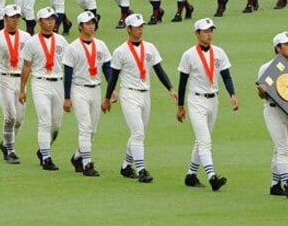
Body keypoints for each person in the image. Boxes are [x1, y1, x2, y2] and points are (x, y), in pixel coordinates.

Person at [102, 13, 177, 183]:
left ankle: (126, 166)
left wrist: (170, 88)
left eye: (142, 26)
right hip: (129, 94)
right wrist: (107, 98)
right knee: (138, 132)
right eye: (137, 27)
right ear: (128, 29)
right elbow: (113, 77)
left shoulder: (150, 48)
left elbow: (158, 69)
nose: (140, 29)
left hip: (145, 94)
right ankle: (142, 169)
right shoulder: (120, 51)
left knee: (139, 132)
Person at [177, 18, 238, 190]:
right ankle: (212, 177)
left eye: (211, 30)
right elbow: (182, 81)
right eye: (205, 31)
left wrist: (232, 93)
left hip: (214, 100)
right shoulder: (189, 54)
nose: (209, 34)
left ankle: (191, 174)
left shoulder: (219, 52)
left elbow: (226, 75)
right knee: (205, 140)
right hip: (196, 100)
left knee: (203, 138)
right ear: (197, 34)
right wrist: (180, 106)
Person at [63, 11, 113, 176]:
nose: (91, 26)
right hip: (79, 89)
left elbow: (107, 68)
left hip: (96, 88)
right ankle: (87, 164)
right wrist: (67, 97)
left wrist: (111, 91)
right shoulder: (72, 48)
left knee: (93, 130)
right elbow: (68, 74)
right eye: (87, 23)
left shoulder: (101, 45)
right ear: (80, 26)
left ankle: (78, 156)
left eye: (93, 23)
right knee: (85, 128)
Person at [18, 7, 68, 171]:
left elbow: (67, 65)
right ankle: (46, 157)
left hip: (58, 82)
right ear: (40, 22)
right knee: (45, 120)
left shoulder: (61, 40)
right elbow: (26, 66)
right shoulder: (32, 42)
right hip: (40, 82)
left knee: (57, 125)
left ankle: (43, 149)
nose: (51, 22)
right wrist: (22, 89)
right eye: (47, 19)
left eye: (53, 19)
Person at [256, 31, 288, 198]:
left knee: (283, 147)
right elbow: (262, 94)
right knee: (283, 146)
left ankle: (275, 184)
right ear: (278, 48)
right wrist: (262, 91)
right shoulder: (267, 68)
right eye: (287, 44)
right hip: (273, 110)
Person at [0, 4, 31, 164]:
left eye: (17, 17)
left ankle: (6, 142)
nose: (15, 20)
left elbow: (28, 63)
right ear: (5, 18)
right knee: (10, 115)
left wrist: (24, 87)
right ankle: (10, 150)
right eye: (12, 17)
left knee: (20, 118)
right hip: (4, 78)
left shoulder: (26, 37)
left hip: (20, 79)